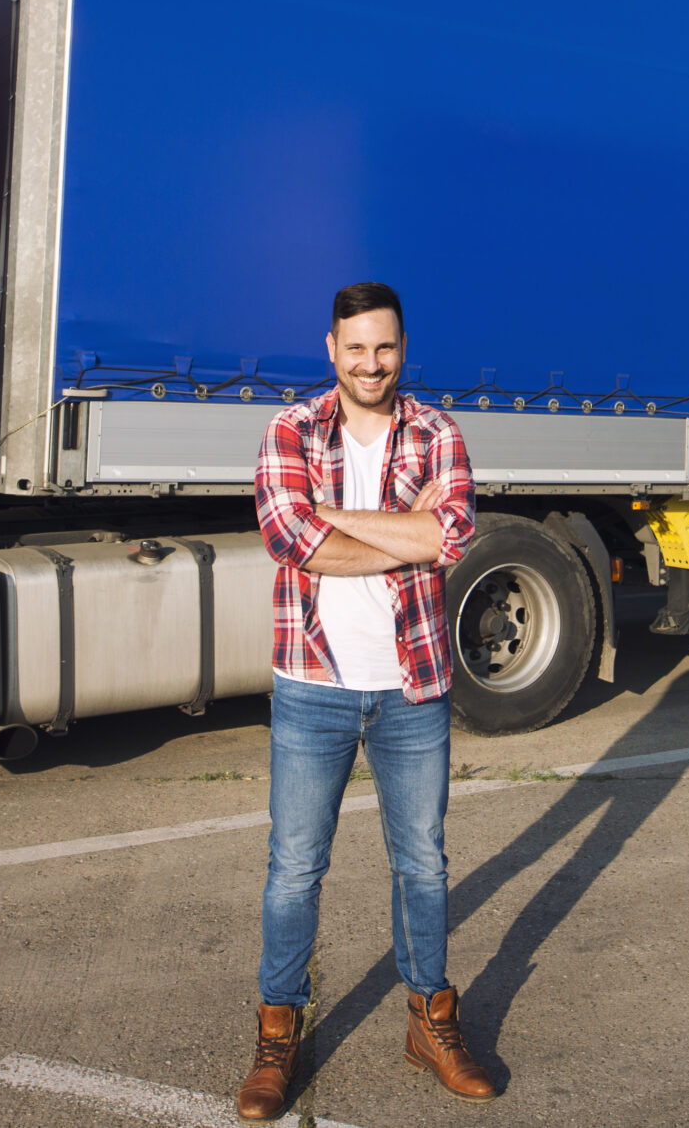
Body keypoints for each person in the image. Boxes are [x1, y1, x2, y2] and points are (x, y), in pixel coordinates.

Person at [236, 281, 499, 1118]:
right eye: (356, 347)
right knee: (293, 870)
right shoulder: (291, 429)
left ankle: (430, 1018)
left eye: (384, 347)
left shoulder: (436, 431)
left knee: (422, 863)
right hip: (312, 686)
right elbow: (289, 537)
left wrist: (336, 516)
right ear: (331, 349)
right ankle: (278, 1032)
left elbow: (451, 532)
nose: (370, 362)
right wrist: (400, 534)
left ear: (402, 347)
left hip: (411, 687)